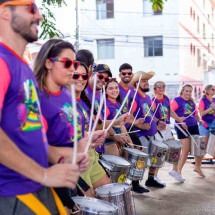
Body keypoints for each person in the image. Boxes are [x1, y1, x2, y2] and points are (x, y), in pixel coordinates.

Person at [0, 1, 80, 214]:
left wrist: (61, 159)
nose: (40, 16)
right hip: (11, 193)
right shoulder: (2, 61)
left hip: (35, 185)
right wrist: (43, 175)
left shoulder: (22, 68)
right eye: (31, 9)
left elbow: (31, 133)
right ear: (5, 12)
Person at [34, 38, 107, 208]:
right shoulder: (35, 97)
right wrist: (68, 155)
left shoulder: (67, 94)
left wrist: (88, 140)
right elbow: (34, 145)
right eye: (67, 63)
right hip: (46, 179)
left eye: (74, 63)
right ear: (48, 63)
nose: (73, 69)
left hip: (69, 174)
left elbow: (73, 136)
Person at [71, 61, 111, 197]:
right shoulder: (62, 102)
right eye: (76, 75)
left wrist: (91, 139)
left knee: (108, 193)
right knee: (91, 203)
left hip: (91, 155)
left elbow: (83, 132)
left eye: (84, 76)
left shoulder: (84, 100)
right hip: (75, 161)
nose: (81, 79)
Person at [130, 71, 165, 188]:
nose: (146, 83)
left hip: (151, 133)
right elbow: (128, 116)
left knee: (155, 157)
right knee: (141, 160)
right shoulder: (135, 97)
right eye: (143, 81)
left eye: (147, 81)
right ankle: (135, 183)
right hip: (141, 134)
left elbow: (150, 113)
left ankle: (150, 179)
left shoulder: (148, 97)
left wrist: (158, 121)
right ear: (136, 83)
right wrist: (140, 125)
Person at [118, 63, 150, 193]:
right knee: (122, 155)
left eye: (129, 73)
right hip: (116, 126)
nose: (126, 75)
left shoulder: (132, 91)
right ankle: (120, 184)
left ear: (132, 74)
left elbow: (133, 109)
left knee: (139, 151)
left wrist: (136, 122)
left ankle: (135, 183)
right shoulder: (115, 88)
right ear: (120, 74)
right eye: (124, 73)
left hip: (129, 126)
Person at [152, 81, 185, 183]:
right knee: (160, 152)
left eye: (163, 87)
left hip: (167, 128)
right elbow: (150, 116)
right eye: (158, 87)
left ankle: (175, 170)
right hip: (158, 130)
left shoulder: (166, 98)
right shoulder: (153, 101)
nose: (161, 88)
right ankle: (154, 176)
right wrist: (158, 123)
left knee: (176, 148)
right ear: (155, 89)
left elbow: (171, 112)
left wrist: (179, 120)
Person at [171, 84, 204, 178]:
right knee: (185, 151)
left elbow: (196, 114)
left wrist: (199, 120)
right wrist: (179, 119)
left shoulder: (191, 102)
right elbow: (170, 111)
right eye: (186, 91)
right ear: (182, 91)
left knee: (199, 148)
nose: (188, 93)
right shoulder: (176, 100)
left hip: (194, 126)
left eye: (190, 91)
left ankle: (197, 167)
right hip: (182, 127)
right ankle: (178, 171)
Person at [198, 85, 215, 174]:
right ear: (207, 91)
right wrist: (211, 108)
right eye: (213, 89)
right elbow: (201, 114)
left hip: (213, 124)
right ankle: (198, 166)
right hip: (204, 124)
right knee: (203, 146)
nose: (214, 90)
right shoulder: (202, 100)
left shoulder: (214, 100)